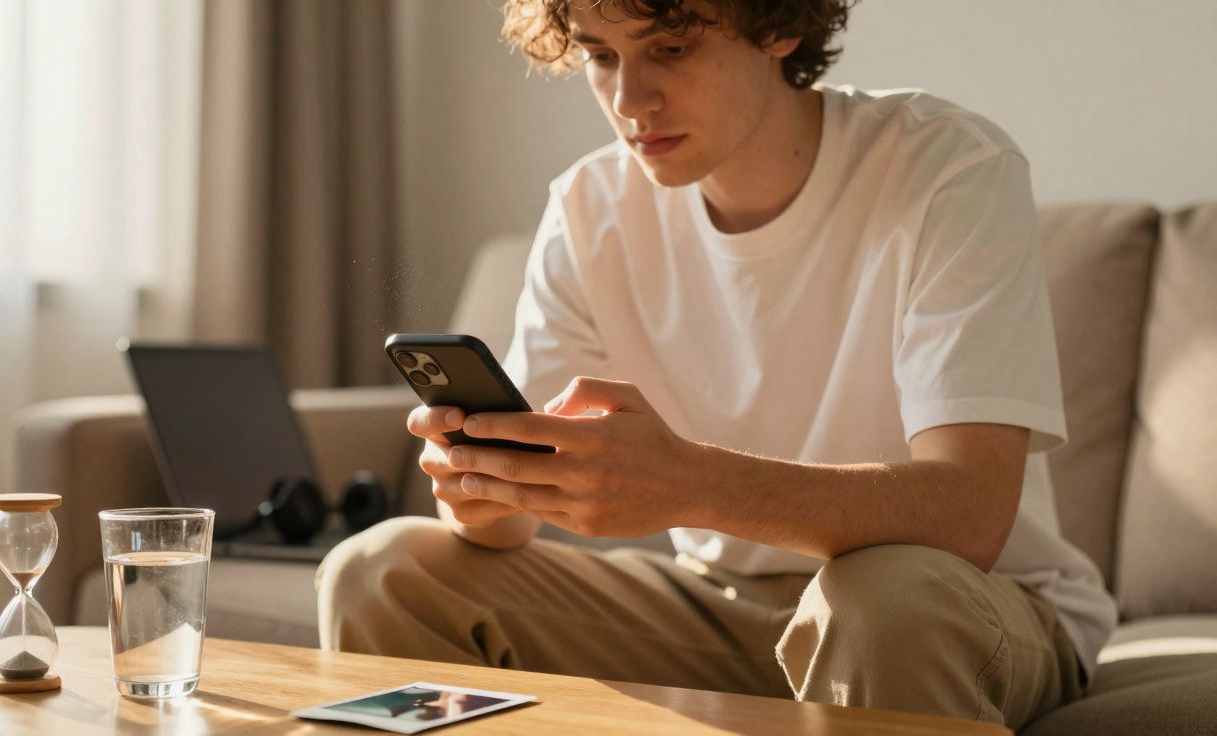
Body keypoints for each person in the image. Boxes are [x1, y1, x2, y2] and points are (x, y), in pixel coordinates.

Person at [317, 0, 1116, 728]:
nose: (630, 101)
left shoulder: (949, 167)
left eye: (670, 47)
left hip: (957, 606)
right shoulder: (590, 204)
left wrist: (689, 482)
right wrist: (481, 484)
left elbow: (970, 515)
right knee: (381, 570)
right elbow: (508, 529)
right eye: (601, 56)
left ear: (779, 27)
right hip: (720, 605)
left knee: (880, 601)